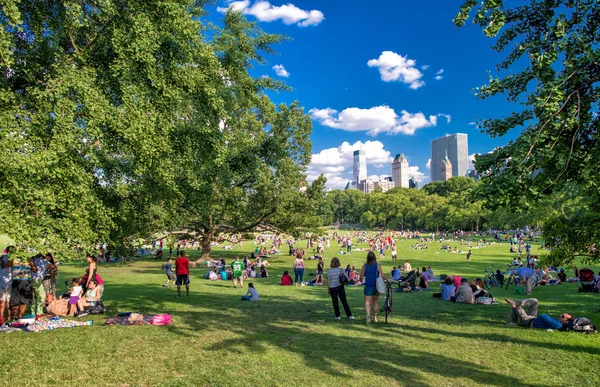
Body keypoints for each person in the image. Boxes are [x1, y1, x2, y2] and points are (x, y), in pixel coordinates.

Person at [504, 298, 573, 329]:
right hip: (533, 318)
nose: (561, 315)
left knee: (516, 306)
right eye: (563, 314)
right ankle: (519, 302)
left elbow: (543, 316)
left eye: (563, 316)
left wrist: (546, 317)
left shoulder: (558, 325)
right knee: (535, 301)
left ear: (565, 321)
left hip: (528, 322)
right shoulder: (558, 321)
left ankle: (513, 321)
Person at [359, 251, 388, 324]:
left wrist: (361, 280)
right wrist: (387, 280)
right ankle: (375, 317)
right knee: (375, 302)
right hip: (376, 286)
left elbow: (361, 276)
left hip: (368, 286)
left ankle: (368, 315)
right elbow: (382, 275)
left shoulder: (365, 265)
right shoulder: (378, 265)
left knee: (367, 302)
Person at [9, 254, 36, 320]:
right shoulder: (14, 259)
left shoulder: (29, 259)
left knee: (24, 300)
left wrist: (32, 264)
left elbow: (35, 270)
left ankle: (20, 317)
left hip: (26, 281)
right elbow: (4, 265)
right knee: (15, 300)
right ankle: (15, 317)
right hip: (16, 280)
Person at [0, 246, 13, 322]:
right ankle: (8, 316)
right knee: (7, 300)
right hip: (8, 282)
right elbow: (4, 265)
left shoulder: (2, 258)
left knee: (3, 300)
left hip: (2, 281)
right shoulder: (11, 259)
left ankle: (3, 316)